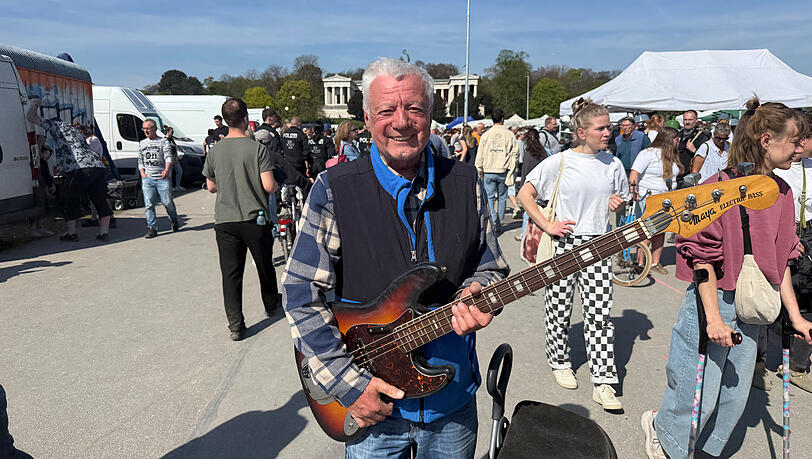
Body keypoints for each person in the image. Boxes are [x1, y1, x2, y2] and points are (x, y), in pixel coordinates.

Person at [282, 57, 509, 458]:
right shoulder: (334, 189)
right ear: (367, 118)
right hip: (373, 411)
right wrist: (349, 385)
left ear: (431, 115)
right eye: (387, 110)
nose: (401, 121)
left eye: (414, 108)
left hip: (452, 405)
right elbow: (302, 294)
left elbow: (489, 264)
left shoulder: (466, 182)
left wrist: (480, 289)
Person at [641, 98, 812, 459]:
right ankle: (665, 437)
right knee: (696, 394)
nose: (801, 149)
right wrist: (714, 319)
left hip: (753, 303)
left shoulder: (783, 193)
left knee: (733, 398)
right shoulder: (717, 187)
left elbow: (781, 260)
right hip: (713, 299)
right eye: (795, 141)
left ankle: (700, 450)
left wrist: (795, 316)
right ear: (767, 139)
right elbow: (701, 257)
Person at [517, 98, 630, 411]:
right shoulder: (560, 161)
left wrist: (617, 207)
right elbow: (525, 193)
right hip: (565, 243)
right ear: (582, 132)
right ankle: (559, 361)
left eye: (609, 126)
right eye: (602, 128)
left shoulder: (614, 164)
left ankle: (604, 381)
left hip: (599, 244)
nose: (609, 132)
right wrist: (547, 224)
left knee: (600, 315)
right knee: (559, 307)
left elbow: (621, 201)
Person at [203, 98, 281, 341]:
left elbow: (211, 187)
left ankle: (236, 324)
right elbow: (268, 186)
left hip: (225, 221)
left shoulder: (215, 151)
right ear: (246, 118)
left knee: (231, 273)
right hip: (254, 218)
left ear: (224, 120)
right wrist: (276, 184)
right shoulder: (256, 148)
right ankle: (270, 303)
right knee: (264, 264)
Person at [755, 111, 812, 393]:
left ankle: (792, 364)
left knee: (804, 297)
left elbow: (782, 266)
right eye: (796, 141)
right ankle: (758, 360)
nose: (800, 148)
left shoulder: (791, 180)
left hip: (806, 234)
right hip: (778, 232)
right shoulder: (767, 172)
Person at [25, 98, 113, 242]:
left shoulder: (55, 125)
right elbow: (65, 147)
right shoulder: (73, 130)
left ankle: (71, 233)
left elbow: (31, 117)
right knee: (99, 199)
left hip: (77, 168)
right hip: (97, 167)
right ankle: (104, 232)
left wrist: (35, 104)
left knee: (70, 199)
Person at [629, 126, 682, 275]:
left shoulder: (671, 155)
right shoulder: (648, 154)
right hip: (649, 197)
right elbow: (634, 173)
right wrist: (634, 191)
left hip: (666, 198)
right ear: (669, 139)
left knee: (661, 231)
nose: (678, 142)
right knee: (648, 230)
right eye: (676, 139)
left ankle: (654, 262)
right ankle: (640, 263)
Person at [476, 109, 518, 233]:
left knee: (489, 198)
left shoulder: (486, 135)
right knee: (502, 198)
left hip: (489, 170)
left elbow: (480, 154)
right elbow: (515, 154)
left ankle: (492, 222)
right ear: (503, 119)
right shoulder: (509, 134)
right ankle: (499, 223)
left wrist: (479, 169)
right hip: (503, 170)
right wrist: (512, 170)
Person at [139, 119, 179, 238]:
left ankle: (174, 219)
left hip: (162, 177)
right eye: (144, 128)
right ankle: (152, 228)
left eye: (148, 128)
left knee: (167, 202)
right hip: (148, 178)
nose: (146, 131)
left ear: (155, 129)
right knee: (149, 204)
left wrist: (166, 170)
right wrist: (142, 173)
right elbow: (140, 160)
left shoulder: (163, 141)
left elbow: (168, 157)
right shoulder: (142, 143)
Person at [514, 128, 546, 242]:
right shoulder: (543, 152)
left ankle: (523, 234)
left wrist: (521, 188)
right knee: (539, 210)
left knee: (528, 211)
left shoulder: (528, 153)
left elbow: (525, 172)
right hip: (541, 185)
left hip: (530, 185)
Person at [677, 110, 711, 181]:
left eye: (690, 120)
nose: (687, 122)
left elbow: (707, 156)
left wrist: (694, 150)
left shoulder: (702, 136)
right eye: (685, 120)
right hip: (678, 173)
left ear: (696, 121)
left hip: (691, 174)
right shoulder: (679, 134)